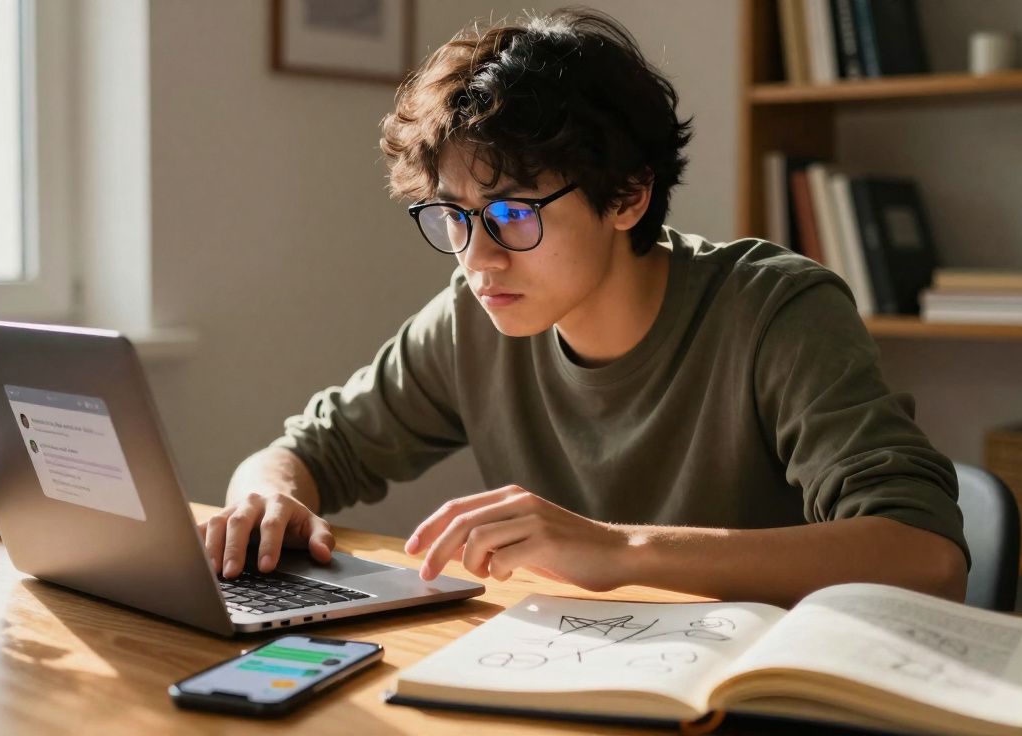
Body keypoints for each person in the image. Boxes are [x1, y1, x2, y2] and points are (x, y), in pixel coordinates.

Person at [198, 8, 968, 607]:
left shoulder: (774, 311)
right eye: (453, 216)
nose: (476, 258)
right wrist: (268, 499)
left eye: (512, 215)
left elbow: (924, 556)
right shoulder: (477, 316)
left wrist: (620, 551)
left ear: (629, 196)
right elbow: (310, 451)